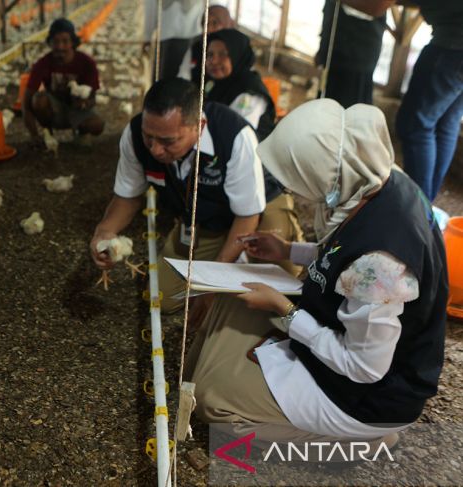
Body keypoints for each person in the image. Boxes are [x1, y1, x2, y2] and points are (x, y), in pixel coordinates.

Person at [185, 98, 448, 445]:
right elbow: (346, 253)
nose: (293, 190)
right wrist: (289, 251)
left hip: (370, 398)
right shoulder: (378, 178)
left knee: (212, 400)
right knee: (229, 306)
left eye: (297, 179)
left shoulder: (380, 262)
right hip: (347, 344)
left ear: (326, 172)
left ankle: (360, 443)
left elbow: (364, 368)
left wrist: (285, 310)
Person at [89, 78, 302, 316]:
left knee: (286, 286)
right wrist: (105, 231)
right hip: (205, 219)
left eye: (168, 141)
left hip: (259, 208)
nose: (155, 149)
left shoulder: (234, 135)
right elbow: (127, 197)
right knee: (162, 299)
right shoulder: (134, 135)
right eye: (149, 137)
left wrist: (213, 284)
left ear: (199, 126)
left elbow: (247, 215)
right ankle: (224, 256)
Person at [341, 0, 463, 201]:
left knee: (415, 125)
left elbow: (377, 5)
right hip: (456, 42)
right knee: (445, 123)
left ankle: (417, 208)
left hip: (452, 45)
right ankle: (426, 205)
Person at [22, 18, 105, 146]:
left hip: (77, 110)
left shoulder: (87, 63)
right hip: (55, 110)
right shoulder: (42, 64)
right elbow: (26, 104)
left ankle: (80, 132)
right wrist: (34, 134)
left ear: (72, 42)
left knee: (97, 125)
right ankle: (47, 132)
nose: (60, 46)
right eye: (56, 41)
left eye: (65, 41)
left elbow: (92, 97)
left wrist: (85, 103)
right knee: (38, 100)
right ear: (50, 43)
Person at [186, 29, 276, 141]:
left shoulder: (249, 93)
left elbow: (238, 135)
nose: (213, 61)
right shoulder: (214, 82)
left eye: (222, 54)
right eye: (210, 54)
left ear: (237, 55)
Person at [315, 1, 386, 108]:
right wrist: (322, 48)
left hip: (358, 50)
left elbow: (380, 6)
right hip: (334, 43)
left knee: (351, 109)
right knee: (327, 102)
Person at [144, 0, 205, 79]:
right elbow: (151, 8)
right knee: (163, 77)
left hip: (193, 33)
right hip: (165, 35)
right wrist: (147, 36)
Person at [176, 0, 235, 80]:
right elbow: (183, 76)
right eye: (205, 24)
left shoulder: (238, 52)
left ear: (227, 24)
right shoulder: (196, 48)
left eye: (215, 23)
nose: (208, 29)